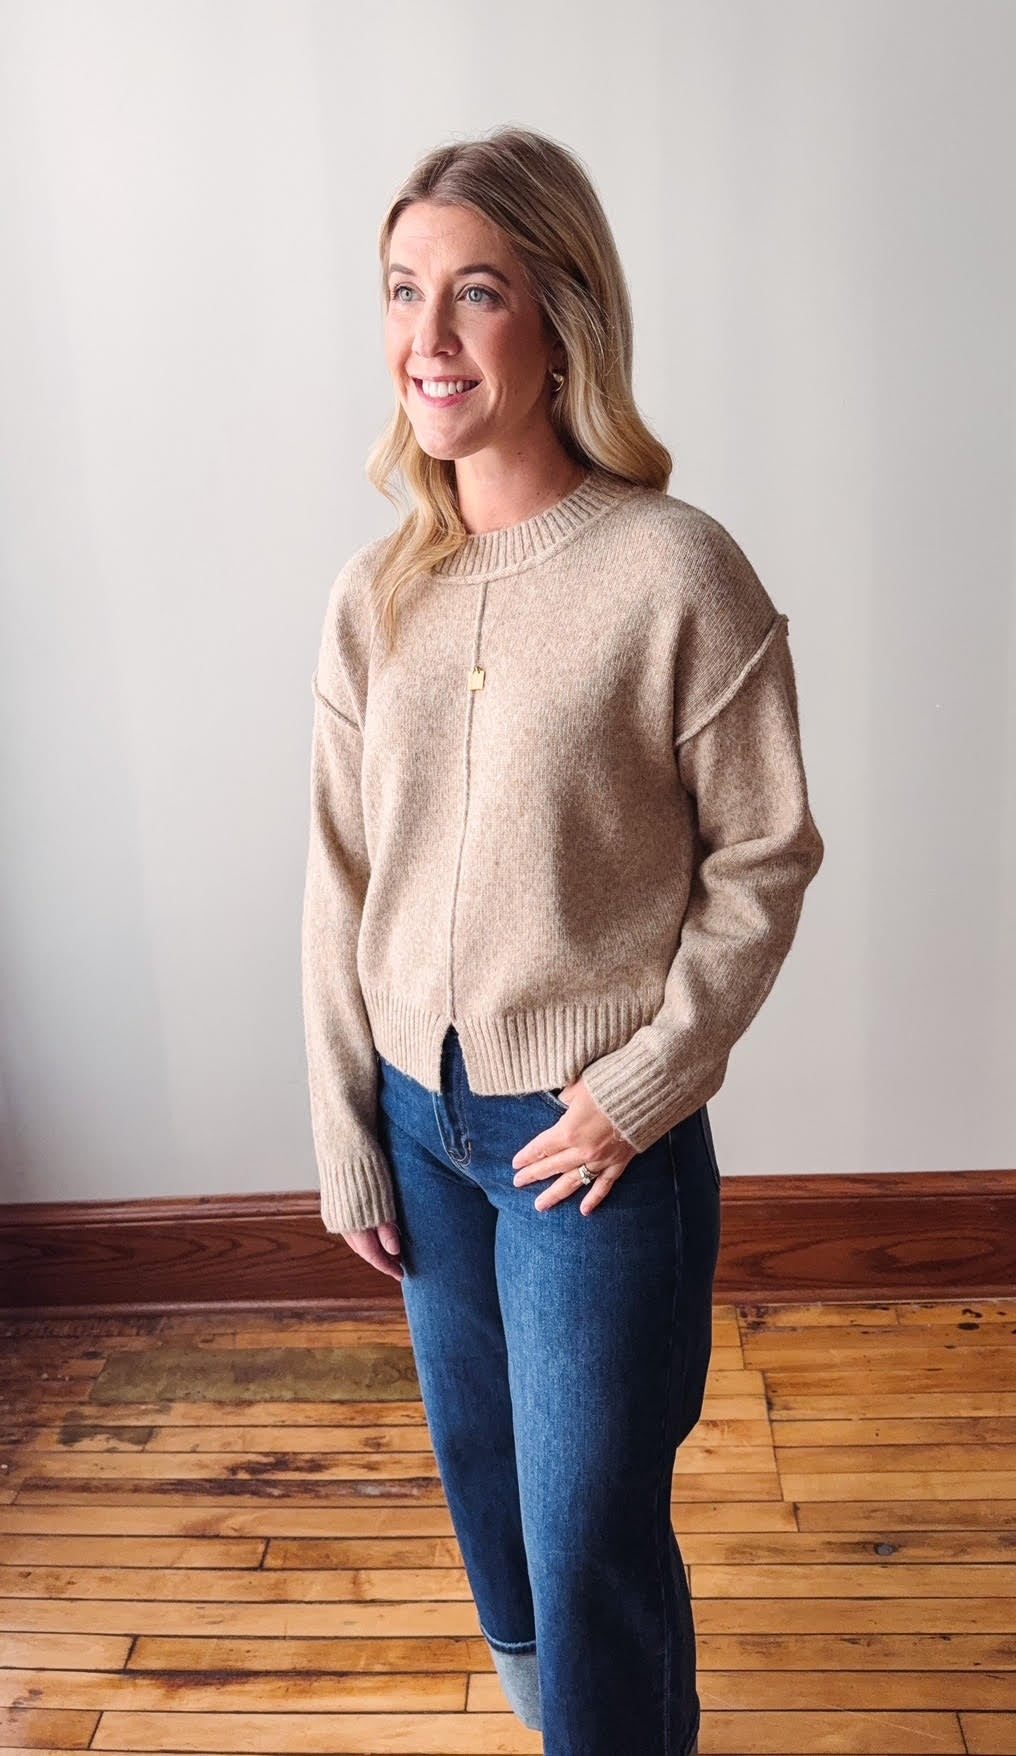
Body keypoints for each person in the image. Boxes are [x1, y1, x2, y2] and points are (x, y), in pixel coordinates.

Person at [301, 125, 824, 1756]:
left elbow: (767, 853)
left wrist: (651, 1079)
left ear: (562, 317)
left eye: (477, 295)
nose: (428, 343)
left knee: (592, 1548)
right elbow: (338, 875)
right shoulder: (377, 593)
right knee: (500, 1534)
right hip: (419, 1128)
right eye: (403, 294)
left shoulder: (675, 574)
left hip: (588, 1149)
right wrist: (347, 1128)